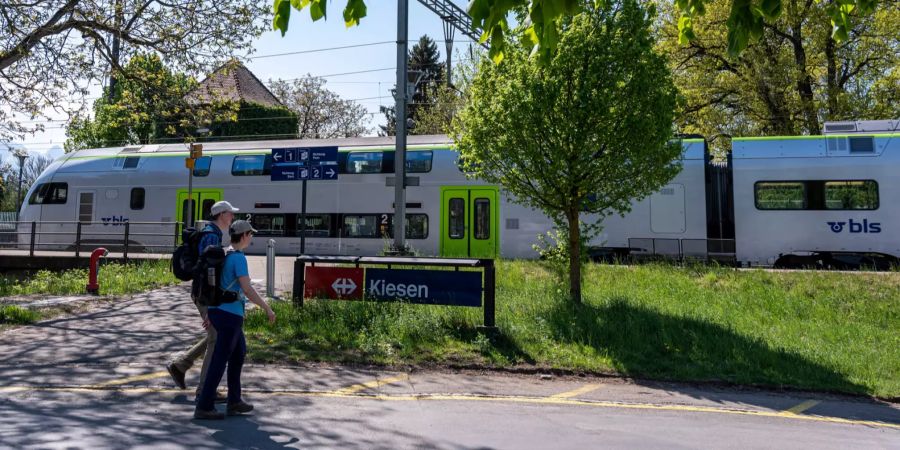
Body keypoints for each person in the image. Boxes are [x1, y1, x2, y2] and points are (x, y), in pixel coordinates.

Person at [194, 220, 276, 420]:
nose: (252, 238)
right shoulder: (238, 258)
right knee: (220, 360)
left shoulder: (226, 253)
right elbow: (247, 289)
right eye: (251, 234)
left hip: (221, 312)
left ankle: (234, 401)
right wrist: (267, 308)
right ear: (245, 235)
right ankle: (204, 406)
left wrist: (210, 313)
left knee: (238, 354)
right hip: (229, 315)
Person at [167, 200, 240, 402]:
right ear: (221, 215)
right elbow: (209, 270)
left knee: (215, 335)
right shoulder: (211, 235)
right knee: (216, 338)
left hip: (204, 294)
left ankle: (180, 365)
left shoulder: (213, 234)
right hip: (205, 295)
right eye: (230, 213)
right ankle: (204, 390)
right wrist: (211, 305)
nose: (232, 217)